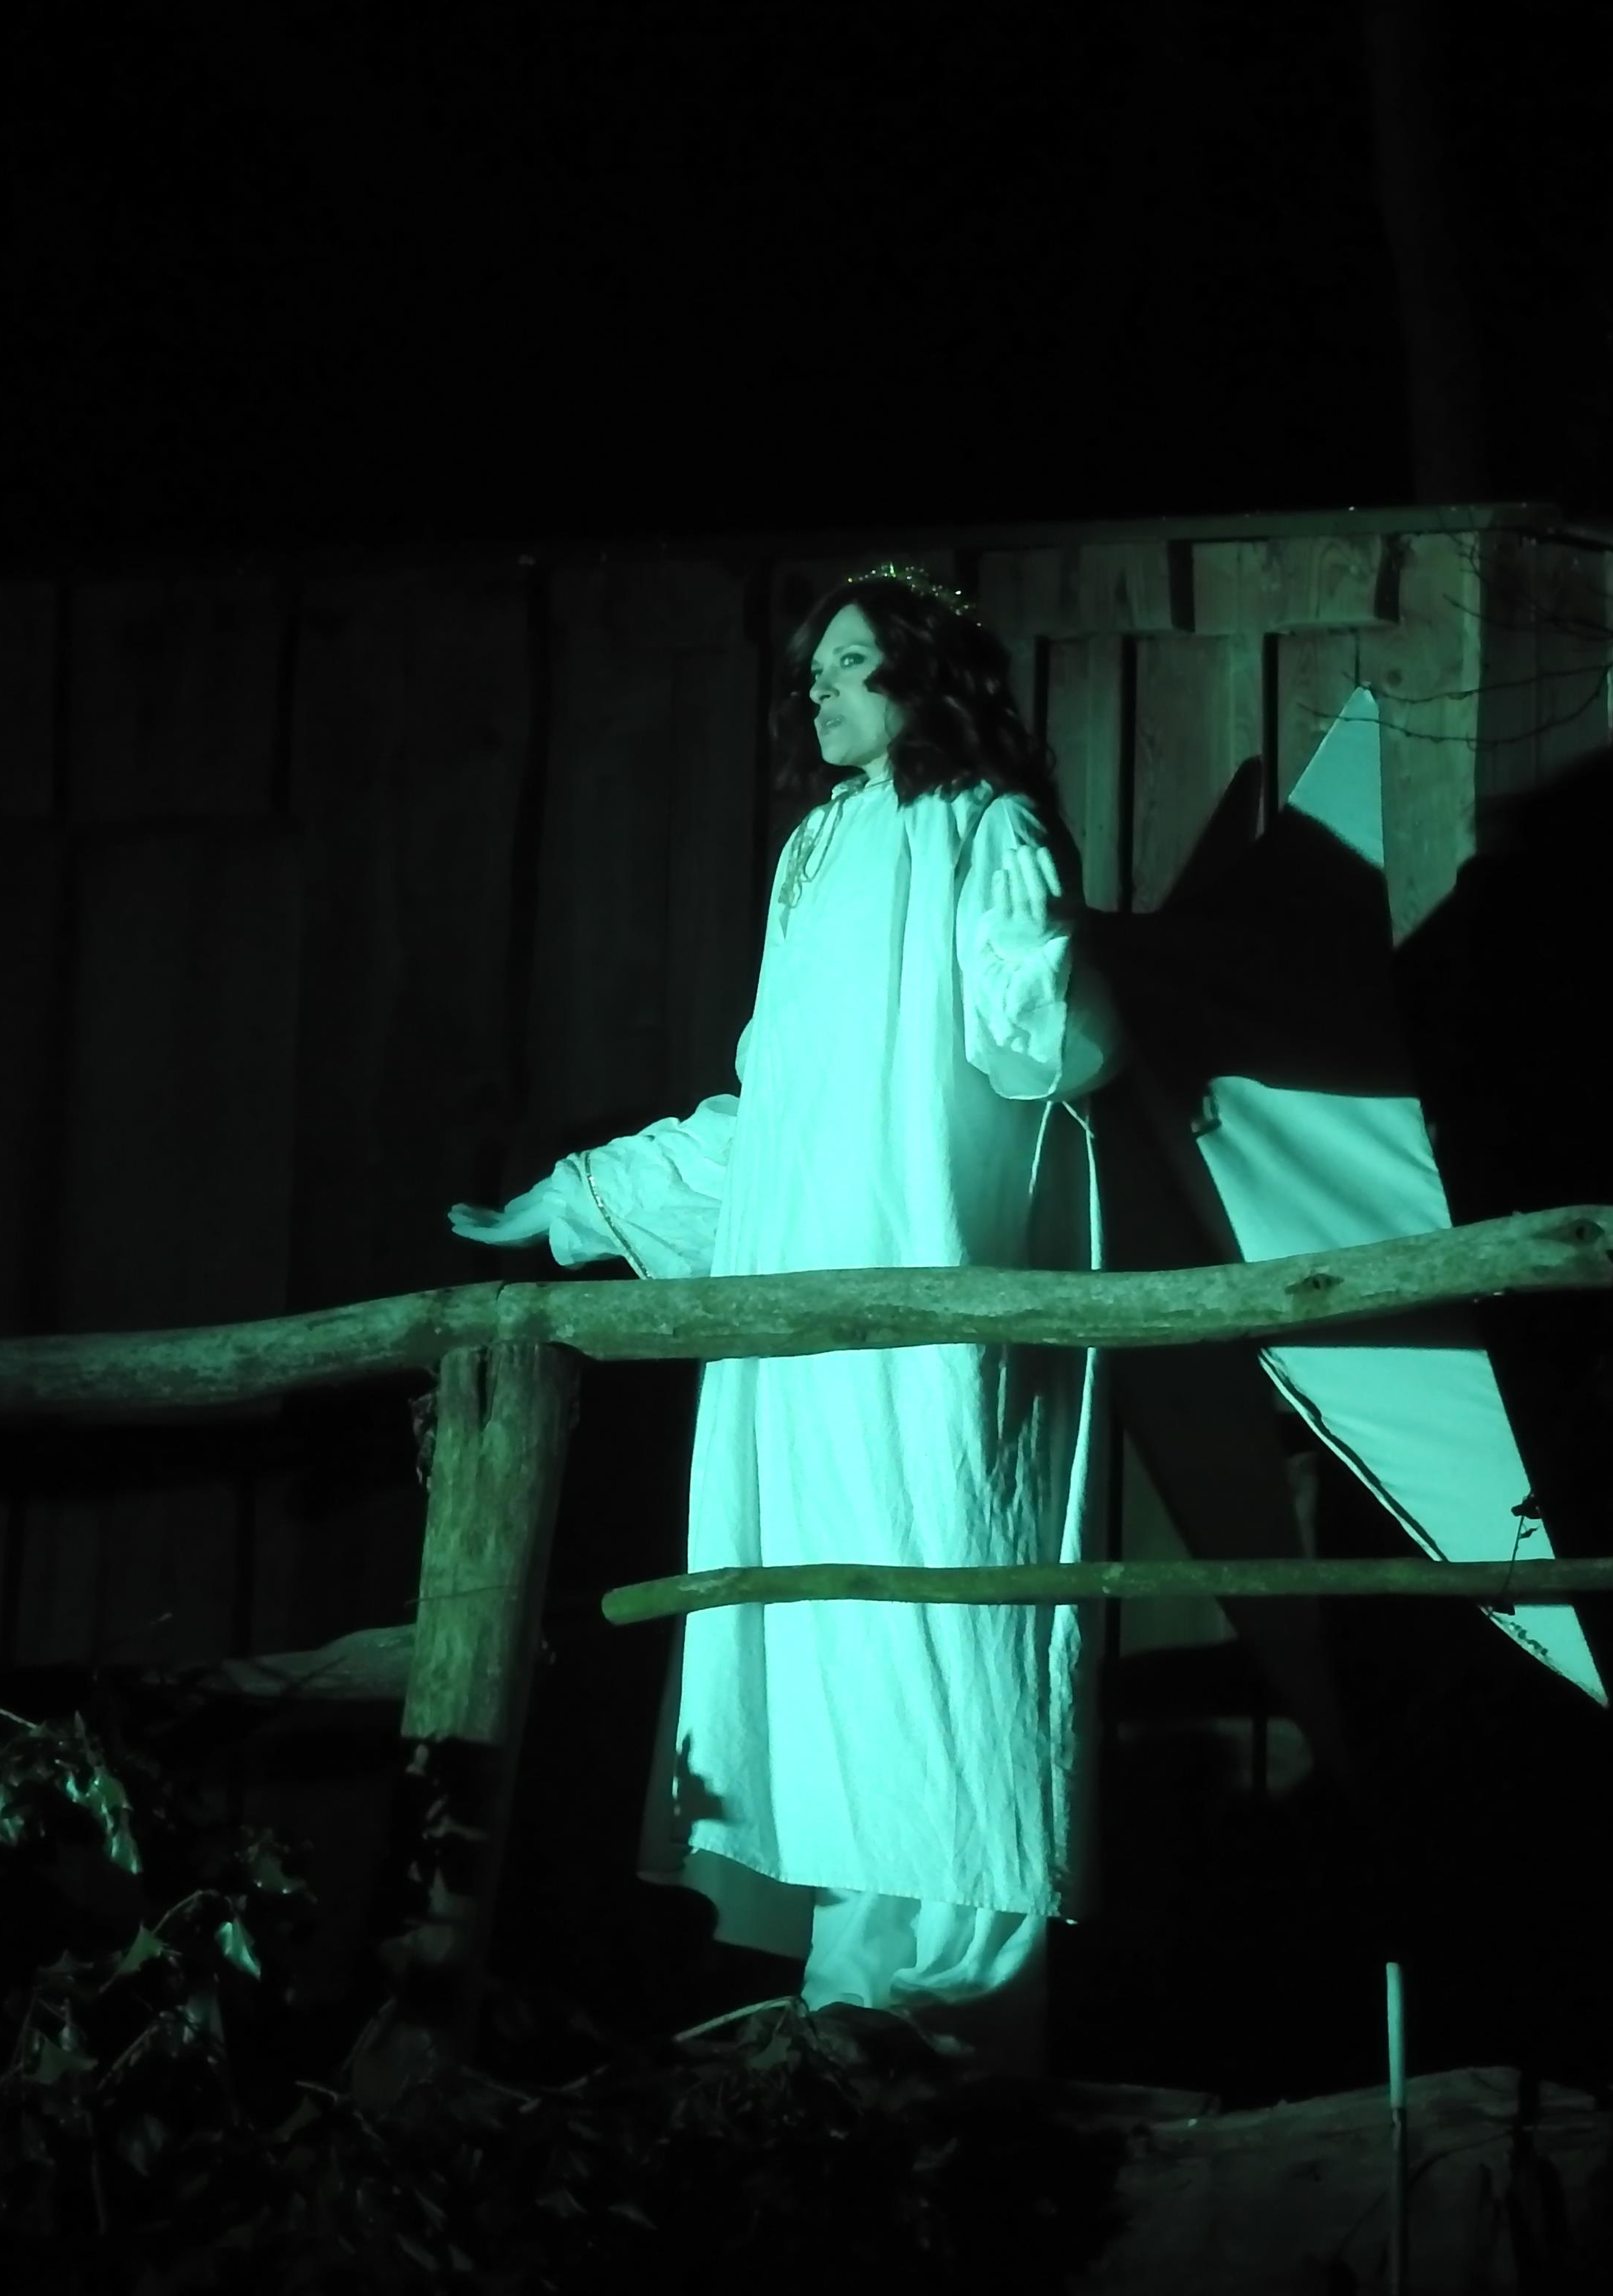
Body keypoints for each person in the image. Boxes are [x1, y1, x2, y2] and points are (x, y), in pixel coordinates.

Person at [449, 563, 1122, 2074]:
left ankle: (950, 2027)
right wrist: (578, 1199)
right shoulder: (815, 849)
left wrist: (1054, 957)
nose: (816, 689)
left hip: (930, 1312)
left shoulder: (987, 830)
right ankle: (847, 2008)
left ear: (926, 676)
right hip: (806, 1332)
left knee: (946, 1623)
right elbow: (780, 1112)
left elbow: (1041, 1046)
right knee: (824, 1636)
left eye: (850, 663)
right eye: (813, 668)